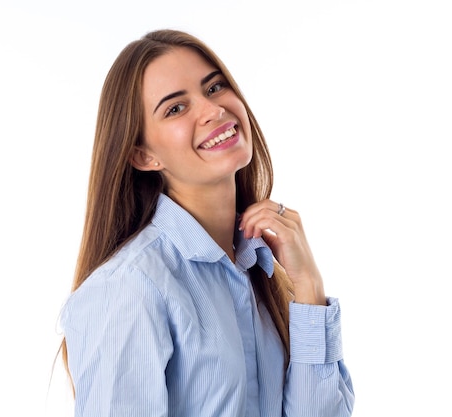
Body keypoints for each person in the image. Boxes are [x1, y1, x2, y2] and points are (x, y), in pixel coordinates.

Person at [58, 28, 355, 417]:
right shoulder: (129, 287)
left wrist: (309, 290)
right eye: (175, 108)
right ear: (143, 156)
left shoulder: (259, 271)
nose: (213, 109)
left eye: (214, 88)